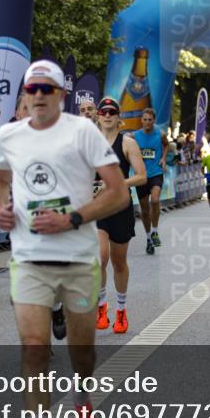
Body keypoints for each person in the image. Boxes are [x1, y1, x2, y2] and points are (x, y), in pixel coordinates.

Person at [0, 60, 128, 418]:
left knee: (82, 356)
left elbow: (118, 192)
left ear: (61, 95)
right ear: (25, 94)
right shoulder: (8, 134)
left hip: (79, 259)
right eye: (34, 88)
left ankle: (83, 394)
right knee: (33, 349)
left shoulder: (82, 132)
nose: (41, 95)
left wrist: (73, 219)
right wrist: (1, 208)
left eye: (49, 88)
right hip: (29, 258)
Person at [93, 97, 147, 334]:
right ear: (97, 115)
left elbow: (141, 176)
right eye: (103, 111)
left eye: (111, 111)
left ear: (118, 117)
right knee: (99, 259)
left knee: (118, 262)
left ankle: (122, 310)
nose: (107, 114)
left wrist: (116, 183)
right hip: (97, 208)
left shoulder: (128, 143)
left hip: (121, 207)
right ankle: (101, 307)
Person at [133, 108, 168, 255]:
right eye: (145, 119)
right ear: (141, 120)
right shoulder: (135, 136)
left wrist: (164, 158)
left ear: (154, 120)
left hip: (155, 173)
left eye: (150, 119)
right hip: (141, 176)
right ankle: (148, 239)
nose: (147, 122)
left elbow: (166, 145)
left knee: (154, 200)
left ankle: (154, 231)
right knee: (145, 211)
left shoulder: (160, 134)